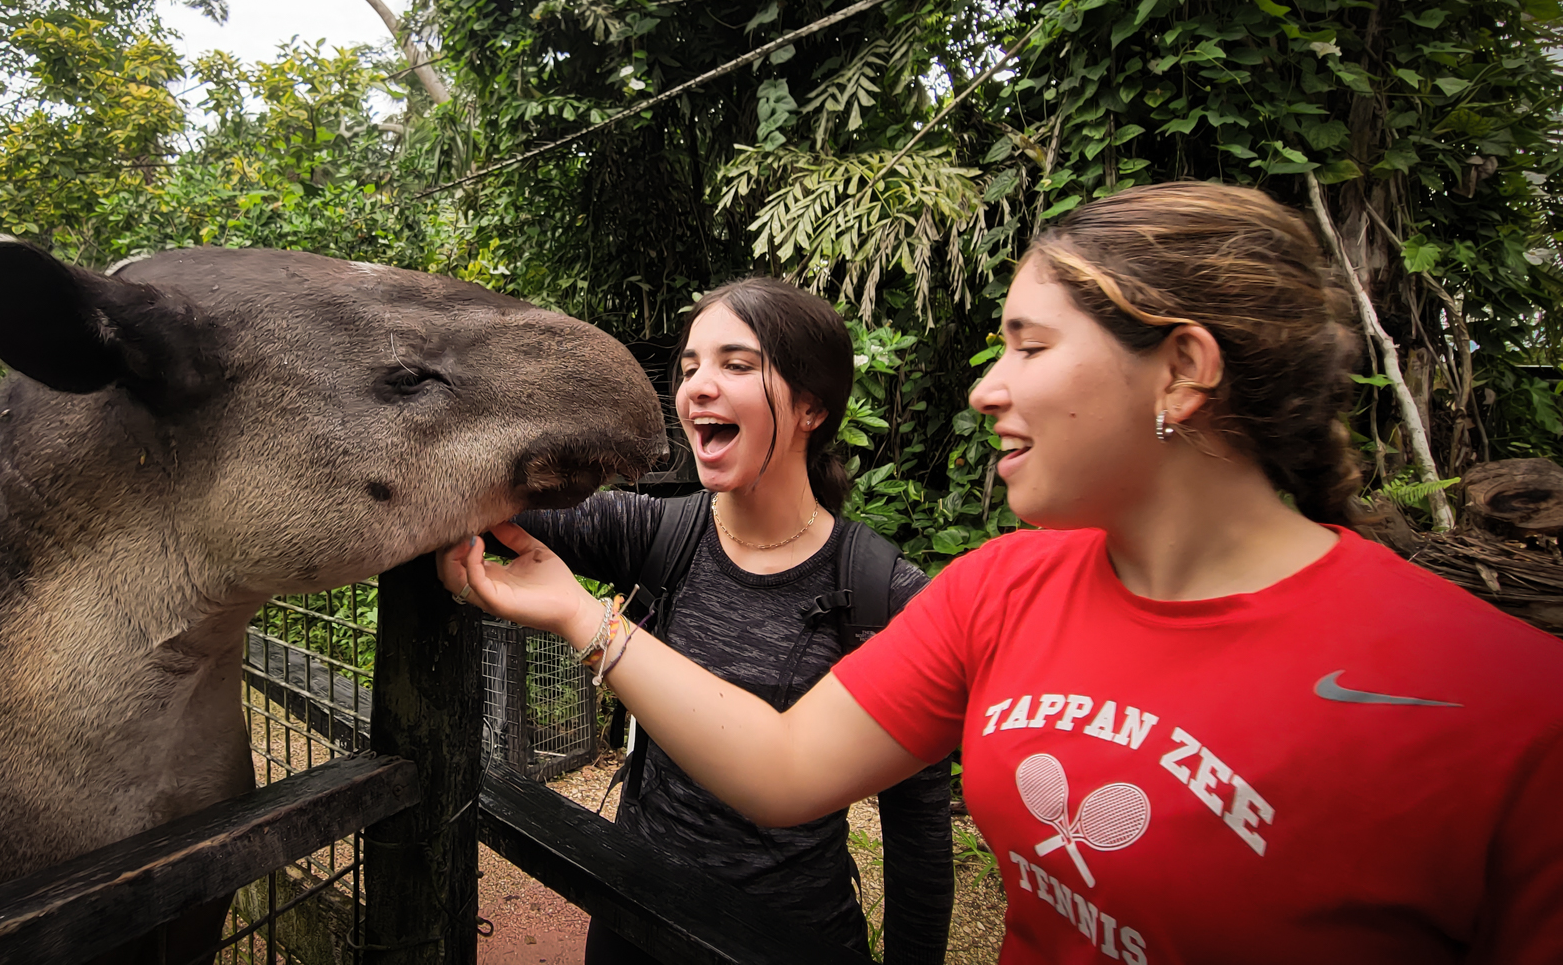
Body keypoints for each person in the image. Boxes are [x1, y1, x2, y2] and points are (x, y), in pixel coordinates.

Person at [442, 182, 1563, 963]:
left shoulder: (1503, 706)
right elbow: (785, 768)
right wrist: (558, 592)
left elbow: (910, 828)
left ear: (1180, 369)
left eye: (1027, 347)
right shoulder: (1001, 589)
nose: (986, 388)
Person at [464, 278, 953, 963]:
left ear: (812, 406)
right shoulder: (661, 532)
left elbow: (919, 841)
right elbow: (498, 503)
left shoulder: (881, 593)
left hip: (785, 938)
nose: (696, 387)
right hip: (634, 915)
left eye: (736, 363)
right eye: (689, 367)